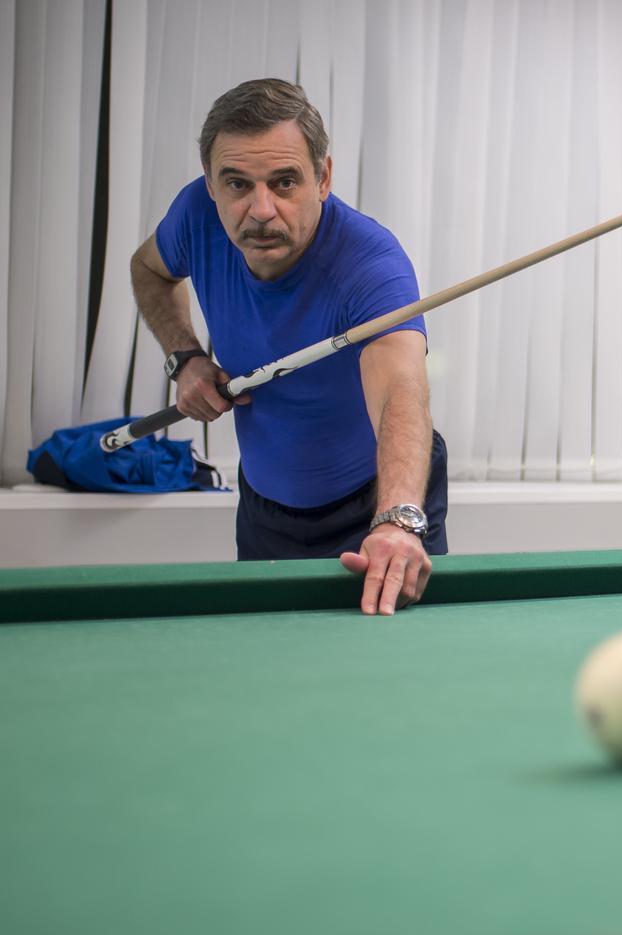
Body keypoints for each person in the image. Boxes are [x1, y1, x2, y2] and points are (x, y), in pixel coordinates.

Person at [130, 78, 446, 616]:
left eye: (284, 182)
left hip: (377, 504)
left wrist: (396, 520)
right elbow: (149, 271)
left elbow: (401, 392)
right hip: (264, 507)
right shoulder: (194, 218)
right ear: (209, 183)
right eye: (236, 184)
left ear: (322, 177)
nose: (260, 209)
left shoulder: (369, 265)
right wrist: (186, 359)